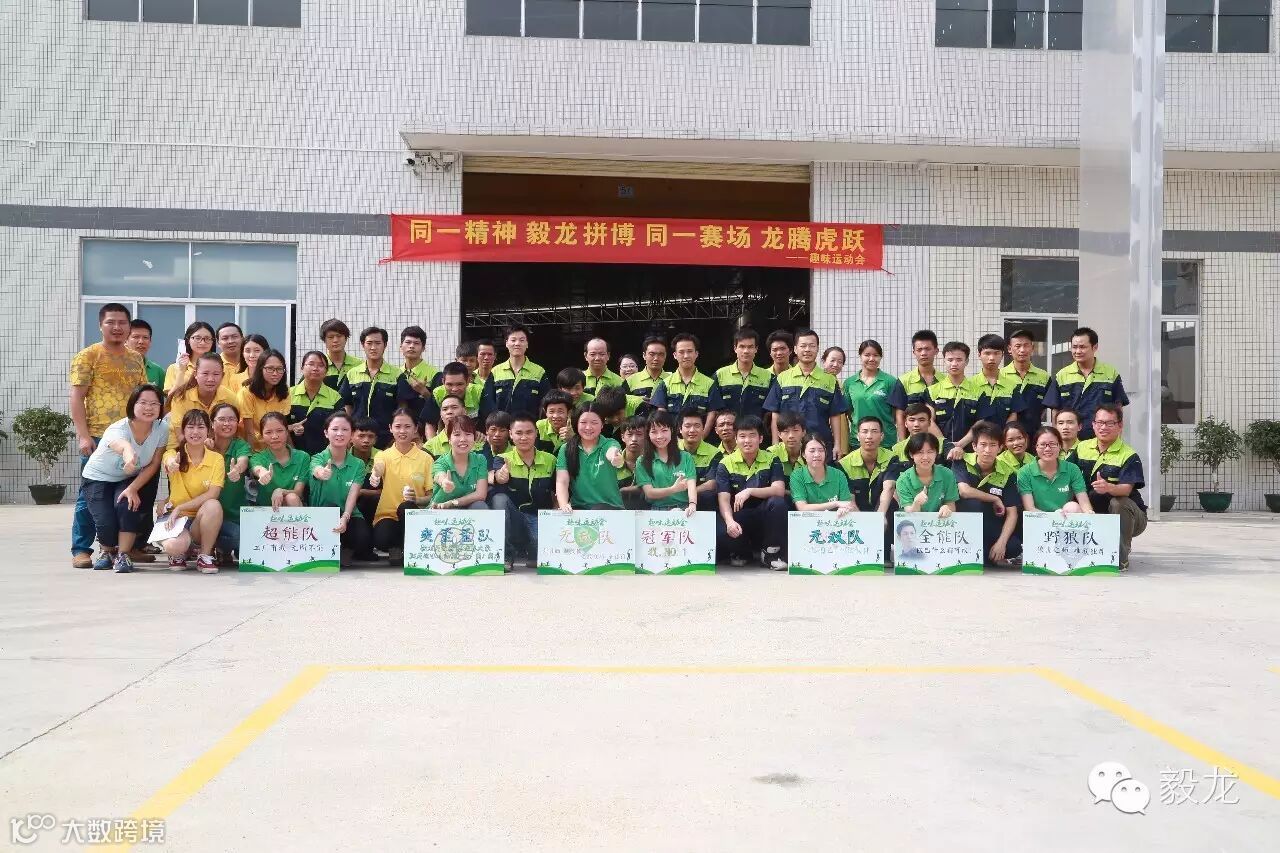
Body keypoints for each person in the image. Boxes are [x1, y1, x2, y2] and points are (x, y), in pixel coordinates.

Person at [70, 303, 148, 568]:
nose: (117, 327)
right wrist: (83, 435)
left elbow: (142, 396)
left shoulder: (135, 358)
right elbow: (77, 397)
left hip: (131, 438)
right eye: (111, 322)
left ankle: (127, 548)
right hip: (98, 437)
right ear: (100, 325)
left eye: (122, 322)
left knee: (128, 496)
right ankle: (81, 549)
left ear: (128, 326)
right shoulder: (88, 356)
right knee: (90, 497)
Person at [79, 384, 167, 573]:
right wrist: (129, 456)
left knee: (128, 506)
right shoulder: (118, 428)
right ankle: (107, 551)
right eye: (143, 403)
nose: (149, 408)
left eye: (154, 403)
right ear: (132, 404)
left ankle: (123, 554)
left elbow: (154, 464)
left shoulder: (161, 428)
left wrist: (133, 488)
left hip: (127, 478)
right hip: (98, 477)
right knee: (106, 520)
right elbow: (122, 445)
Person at [1069, 403, 1147, 571]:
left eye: (1110, 423)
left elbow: (1126, 489)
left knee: (1119, 503)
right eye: (1100, 422)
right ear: (1093, 425)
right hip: (1093, 512)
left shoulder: (1129, 455)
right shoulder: (1081, 448)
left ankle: (1120, 557)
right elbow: (1064, 473)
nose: (1103, 427)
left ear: (1120, 425)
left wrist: (1109, 487)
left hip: (1131, 518)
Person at [714, 415, 788, 569]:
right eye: (742, 436)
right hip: (740, 516)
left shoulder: (772, 459)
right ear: (736, 438)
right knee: (721, 530)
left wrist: (750, 491)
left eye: (752, 435)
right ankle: (743, 553)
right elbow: (724, 499)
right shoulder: (725, 463)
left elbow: (779, 490)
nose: (747, 440)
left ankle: (769, 554)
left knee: (778, 502)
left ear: (760, 439)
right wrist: (730, 522)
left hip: (764, 515)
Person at [763, 328, 850, 458]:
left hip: (819, 446)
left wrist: (837, 444)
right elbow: (775, 413)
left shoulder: (830, 380)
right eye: (803, 346)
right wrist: (775, 443)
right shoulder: (783, 378)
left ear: (817, 349)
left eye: (812, 346)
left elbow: (835, 415)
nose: (807, 350)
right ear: (795, 349)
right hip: (788, 446)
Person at [158, 410, 225, 573]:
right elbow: (169, 460)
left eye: (201, 427)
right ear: (183, 431)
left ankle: (204, 555)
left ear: (209, 431)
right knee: (174, 546)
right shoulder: (173, 454)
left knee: (213, 505)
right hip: (175, 518)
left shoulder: (216, 459)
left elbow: (213, 494)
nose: (195, 432)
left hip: (200, 520)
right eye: (190, 427)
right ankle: (179, 553)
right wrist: (172, 464)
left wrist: (181, 507)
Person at [368, 409, 434, 565]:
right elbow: (378, 468)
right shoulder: (383, 455)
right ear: (390, 428)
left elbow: (431, 496)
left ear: (415, 428)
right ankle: (396, 547)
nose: (402, 431)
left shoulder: (426, 459)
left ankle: (412, 549)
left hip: (415, 513)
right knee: (381, 538)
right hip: (388, 515)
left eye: (407, 426)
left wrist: (416, 499)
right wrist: (375, 475)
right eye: (398, 426)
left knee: (406, 506)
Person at [308, 411, 374, 564]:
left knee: (363, 538)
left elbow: (353, 494)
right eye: (335, 429)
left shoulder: (358, 464)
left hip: (347, 513)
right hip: (323, 514)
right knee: (331, 511)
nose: (340, 433)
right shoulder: (317, 458)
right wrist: (321, 472)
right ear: (326, 433)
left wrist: (345, 517)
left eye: (345, 429)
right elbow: (316, 469)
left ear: (351, 434)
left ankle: (346, 548)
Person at [492, 413, 557, 567]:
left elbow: (556, 491)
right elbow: (498, 477)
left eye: (529, 432)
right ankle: (506, 555)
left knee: (538, 549)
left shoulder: (550, 460)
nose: (524, 437)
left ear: (536, 433)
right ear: (511, 434)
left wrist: (555, 518)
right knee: (499, 499)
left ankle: (533, 552)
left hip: (540, 517)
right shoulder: (502, 458)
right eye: (519, 433)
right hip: (515, 519)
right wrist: (500, 476)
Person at [1042, 327, 1129, 439]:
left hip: (1101, 439)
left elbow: (1118, 408)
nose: (1078, 351)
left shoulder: (1110, 374)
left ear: (1095, 347)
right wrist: (1057, 438)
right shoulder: (1062, 375)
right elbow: (1055, 410)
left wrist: (1117, 437)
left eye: (1082, 347)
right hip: (1071, 441)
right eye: (1074, 347)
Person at [953, 420, 1020, 566]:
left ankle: (989, 553)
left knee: (1013, 546)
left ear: (1000, 448)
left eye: (993, 445)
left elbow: (1012, 513)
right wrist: (994, 499)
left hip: (990, 525)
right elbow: (964, 491)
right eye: (983, 445)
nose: (987, 450)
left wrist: (1001, 542)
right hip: (963, 527)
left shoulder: (1008, 473)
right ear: (974, 446)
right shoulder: (961, 461)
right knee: (974, 503)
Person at [339, 326, 402, 448]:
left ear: (385, 345)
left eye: (378, 343)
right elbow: (347, 406)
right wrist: (349, 433)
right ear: (363, 345)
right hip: (357, 437)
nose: (373, 347)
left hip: (386, 438)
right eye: (369, 343)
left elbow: (402, 407)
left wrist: (396, 435)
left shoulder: (397, 375)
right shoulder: (352, 374)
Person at [555, 404, 627, 510]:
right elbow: (562, 481)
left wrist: (615, 457)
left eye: (594, 423)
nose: (588, 427)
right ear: (576, 424)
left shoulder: (610, 443)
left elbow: (612, 451)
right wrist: (563, 505)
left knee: (599, 508)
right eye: (583, 422)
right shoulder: (566, 449)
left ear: (602, 424)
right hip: (579, 509)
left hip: (610, 508)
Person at [651, 333, 722, 436]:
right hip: (672, 440)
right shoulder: (665, 384)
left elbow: (712, 413)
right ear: (675, 355)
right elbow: (661, 413)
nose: (686, 356)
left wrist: (701, 437)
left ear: (696, 354)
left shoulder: (709, 383)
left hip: (699, 440)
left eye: (689, 351)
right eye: (681, 352)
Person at [208, 402, 251, 564]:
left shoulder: (240, 445)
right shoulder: (203, 446)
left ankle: (223, 550)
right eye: (222, 419)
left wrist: (237, 470)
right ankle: (211, 548)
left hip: (234, 517)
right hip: (207, 516)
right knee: (236, 536)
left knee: (242, 543)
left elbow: (243, 460)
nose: (227, 423)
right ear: (212, 423)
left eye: (232, 419)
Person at [166, 354, 237, 449]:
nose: (210, 379)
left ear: (222, 375)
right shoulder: (181, 398)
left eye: (216, 374)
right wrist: (203, 448)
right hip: (180, 448)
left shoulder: (230, 397)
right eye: (205, 373)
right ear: (195, 374)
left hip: (217, 449)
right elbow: (180, 436)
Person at [1017, 426, 1092, 515]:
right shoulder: (1025, 472)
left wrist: (1089, 513)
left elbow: (1084, 502)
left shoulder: (1072, 469)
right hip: (1038, 518)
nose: (1047, 449)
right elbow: (1030, 509)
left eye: (1052, 444)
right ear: (1036, 447)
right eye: (1042, 444)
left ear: (1060, 446)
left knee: (1073, 507)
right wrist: (1053, 517)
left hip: (1066, 518)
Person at [634, 411, 697, 516]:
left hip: (684, 510)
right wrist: (674, 489)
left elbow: (691, 484)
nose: (659, 436)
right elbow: (649, 493)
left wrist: (692, 504)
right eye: (654, 432)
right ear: (648, 434)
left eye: (664, 430)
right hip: (656, 512)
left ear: (671, 430)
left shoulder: (686, 457)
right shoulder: (642, 461)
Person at [928, 341, 980, 458]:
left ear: (966, 361)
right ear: (944, 361)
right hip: (939, 452)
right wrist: (947, 446)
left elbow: (980, 421)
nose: (954, 364)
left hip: (970, 452)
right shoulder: (932, 391)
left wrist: (960, 444)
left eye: (959, 360)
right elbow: (929, 421)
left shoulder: (978, 391)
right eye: (950, 360)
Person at [842, 339, 898, 446]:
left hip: (885, 441)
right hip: (858, 441)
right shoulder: (850, 383)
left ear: (881, 357)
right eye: (867, 355)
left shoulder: (890, 381)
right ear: (860, 356)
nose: (871, 359)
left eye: (876, 355)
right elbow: (849, 412)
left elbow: (896, 413)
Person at [249, 412, 309, 510]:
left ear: (287, 432)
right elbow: (257, 468)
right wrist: (262, 472)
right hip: (265, 512)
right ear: (262, 435)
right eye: (268, 432)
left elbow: (298, 492)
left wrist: (280, 491)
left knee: (292, 497)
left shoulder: (303, 457)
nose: (274, 436)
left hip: (294, 509)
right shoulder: (257, 457)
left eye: (280, 431)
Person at [837, 416, 895, 516]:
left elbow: (889, 488)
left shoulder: (892, 458)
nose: (869, 436)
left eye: (874, 431)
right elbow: (850, 499)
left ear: (881, 436)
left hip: (885, 514)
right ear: (858, 436)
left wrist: (880, 518)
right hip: (856, 515)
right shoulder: (844, 464)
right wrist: (863, 522)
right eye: (864, 431)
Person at [887, 329, 940, 439]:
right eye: (919, 350)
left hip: (939, 441)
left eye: (927, 349)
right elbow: (900, 416)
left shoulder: (945, 381)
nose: (923, 353)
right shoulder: (903, 381)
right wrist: (902, 443)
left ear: (936, 350)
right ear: (914, 352)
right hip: (913, 443)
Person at [713, 328, 773, 423]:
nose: (746, 351)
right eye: (742, 346)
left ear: (756, 349)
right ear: (735, 348)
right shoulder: (720, 375)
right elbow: (713, 409)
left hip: (755, 430)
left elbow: (770, 412)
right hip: (729, 430)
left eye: (750, 347)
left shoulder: (768, 377)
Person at [289, 351, 343, 455]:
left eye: (321, 365)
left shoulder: (335, 397)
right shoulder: (288, 395)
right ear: (302, 368)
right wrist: (291, 427)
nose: (315, 368)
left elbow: (340, 429)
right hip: (293, 456)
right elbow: (278, 426)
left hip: (325, 456)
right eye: (311, 364)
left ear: (326, 371)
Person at [430, 416, 490, 510]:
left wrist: (453, 503)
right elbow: (439, 475)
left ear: (474, 438)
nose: (463, 439)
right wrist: (444, 482)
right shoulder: (441, 462)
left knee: (480, 505)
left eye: (468, 434)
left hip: (467, 508)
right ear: (449, 439)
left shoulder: (480, 460)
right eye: (457, 434)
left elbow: (480, 494)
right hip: (441, 510)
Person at [893, 432, 959, 517]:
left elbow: (951, 504)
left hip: (939, 522)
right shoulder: (903, 480)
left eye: (930, 452)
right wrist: (916, 504)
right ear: (911, 454)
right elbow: (909, 513)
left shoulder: (947, 474)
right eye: (920, 452)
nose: (925, 457)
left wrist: (947, 507)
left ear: (936, 453)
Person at [238, 349, 291, 451]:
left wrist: (293, 453)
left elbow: (284, 428)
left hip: (275, 448)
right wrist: (252, 458)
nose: (275, 373)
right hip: (254, 449)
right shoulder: (246, 393)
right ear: (260, 369)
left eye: (279, 369)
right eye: (270, 368)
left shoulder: (285, 391)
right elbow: (249, 433)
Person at [492, 324, 550, 416]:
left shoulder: (539, 371)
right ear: (506, 343)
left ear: (527, 344)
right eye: (513, 340)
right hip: (502, 425)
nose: (517, 343)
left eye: (522, 340)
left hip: (530, 424)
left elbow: (545, 403)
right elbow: (489, 403)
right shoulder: (495, 371)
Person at [791, 434, 856, 515]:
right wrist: (835, 503)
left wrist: (843, 509)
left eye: (821, 450)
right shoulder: (797, 475)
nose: (817, 454)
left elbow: (846, 504)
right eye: (812, 451)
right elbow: (802, 508)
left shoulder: (839, 475)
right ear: (804, 454)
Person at [420, 361, 490, 435]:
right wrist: (432, 441)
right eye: (449, 384)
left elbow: (490, 421)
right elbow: (430, 423)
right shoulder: (438, 393)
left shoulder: (479, 391)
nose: (454, 389)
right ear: (443, 382)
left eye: (459, 384)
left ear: (468, 381)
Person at [1003, 327, 1051, 434]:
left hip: (1035, 435)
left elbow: (1049, 406)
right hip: (1008, 437)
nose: (1022, 350)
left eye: (1026, 345)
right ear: (1009, 349)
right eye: (1018, 346)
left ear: (1032, 348)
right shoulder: (1000, 376)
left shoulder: (1044, 377)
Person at [678, 408, 722, 512]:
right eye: (687, 426)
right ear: (680, 429)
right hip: (673, 499)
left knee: (708, 496)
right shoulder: (671, 450)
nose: (692, 430)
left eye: (697, 426)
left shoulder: (715, 453)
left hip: (701, 501)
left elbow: (712, 483)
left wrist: (690, 494)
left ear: (703, 428)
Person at [394, 325, 442, 413]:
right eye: (408, 342)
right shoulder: (396, 373)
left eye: (416, 343)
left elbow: (441, 407)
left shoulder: (435, 374)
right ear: (401, 346)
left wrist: (424, 392)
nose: (411, 346)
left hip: (426, 421)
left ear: (423, 348)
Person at [163, 321, 215, 393]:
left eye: (207, 338)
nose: (202, 342)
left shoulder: (219, 367)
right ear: (188, 340)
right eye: (197, 338)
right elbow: (171, 397)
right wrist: (181, 371)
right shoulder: (174, 368)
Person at [350, 417, 381, 523]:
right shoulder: (343, 457)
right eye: (361, 436)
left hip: (376, 508)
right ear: (351, 437)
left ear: (376, 439)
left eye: (370, 436)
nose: (366, 440)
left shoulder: (383, 457)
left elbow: (387, 491)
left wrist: (362, 492)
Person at [319, 319, 363, 390]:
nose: (335, 340)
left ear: (346, 339)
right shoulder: (318, 365)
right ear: (324, 340)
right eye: (330, 337)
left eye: (339, 336)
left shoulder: (359, 365)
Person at [625, 335, 669, 402]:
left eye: (660, 354)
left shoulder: (673, 380)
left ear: (665, 356)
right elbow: (621, 404)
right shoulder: (630, 381)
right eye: (651, 354)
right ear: (644, 355)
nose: (656, 358)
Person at [616, 415, 647, 510]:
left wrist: (624, 491)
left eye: (639, 434)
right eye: (629, 434)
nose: (634, 439)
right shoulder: (612, 462)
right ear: (622, 437)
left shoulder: (656, 462)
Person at [128, 319, 166, 389]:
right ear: (125, 340)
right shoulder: (114, 368)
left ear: (150, 342)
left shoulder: (158, 371)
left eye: (145, 337)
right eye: (136, 337)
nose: (141, 342)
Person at [767, 411, 806, 479]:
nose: (791, 436)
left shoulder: (811, 452)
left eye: (795, 430)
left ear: (803, 432)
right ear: (779, 434)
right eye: (786, 431)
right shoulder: (772, 452)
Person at [535, 390, 574, 455]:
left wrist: (573, 439)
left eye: (560, 411)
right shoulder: (539, 426)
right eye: (551, 411)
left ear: (569, 412)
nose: (555, 416)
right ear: (545, 412)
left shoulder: (577, 428)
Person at [216, 323, 247, 391]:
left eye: (234, 337)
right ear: (218, 343)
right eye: (225, 338)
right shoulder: (214, 365)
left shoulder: (251, 363)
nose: (230, 341)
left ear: (242, 339)